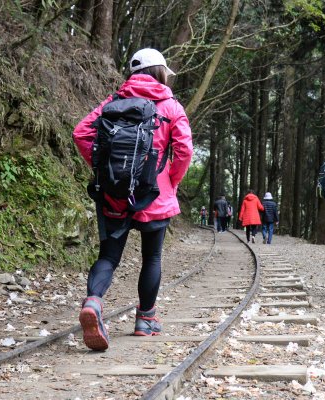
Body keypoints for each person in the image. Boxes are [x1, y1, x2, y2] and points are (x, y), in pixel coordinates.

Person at [73, 48, 193, 350]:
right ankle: (145, 319)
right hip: (155, 194)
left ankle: (94, 303)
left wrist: (104, 170)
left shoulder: (113, 102)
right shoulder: (171, 106)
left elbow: (81, 133)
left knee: (109, 257)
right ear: (161, 72)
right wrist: (171, 180)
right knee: (151, 257)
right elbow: (184, 151)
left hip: (114, 193)